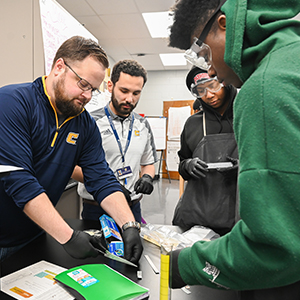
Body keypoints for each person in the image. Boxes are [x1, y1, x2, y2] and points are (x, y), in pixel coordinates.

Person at [168, 0, 300, 298]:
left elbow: (275, 247)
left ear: (224, 24)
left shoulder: (265, 88)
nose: (212, 68)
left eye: (204, 52)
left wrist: (186, 265)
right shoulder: (292, 60)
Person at [0, 36, 143, 264]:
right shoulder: (12, 103)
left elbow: (101, 178)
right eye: (83, 84)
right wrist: (68, 237)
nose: (87, 96)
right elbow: (20, 181)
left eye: (93, 90)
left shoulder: (84, 124)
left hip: (34, 234)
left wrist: (129, 224)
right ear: (59, 67)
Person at [73, 59, 157, 223]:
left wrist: (147, 177)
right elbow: (72, 167)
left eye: (136, 93)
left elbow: (148, 163)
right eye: (124, 91)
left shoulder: (142, 125)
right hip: (97, 207)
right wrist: (108, 185)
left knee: (134, 248)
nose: (129, 99)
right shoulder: (88, 122)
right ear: (110, 86)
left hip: (133, 206)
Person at [173, 66, 238, 236]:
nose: (209, 95)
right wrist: (188, 166)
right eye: (201, 91)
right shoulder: (193, 124)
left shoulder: (246, 114)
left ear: (224, 82)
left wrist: (244, 167)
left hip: (240, 215)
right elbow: (182, 163)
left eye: (213, 86)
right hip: (201, 216)